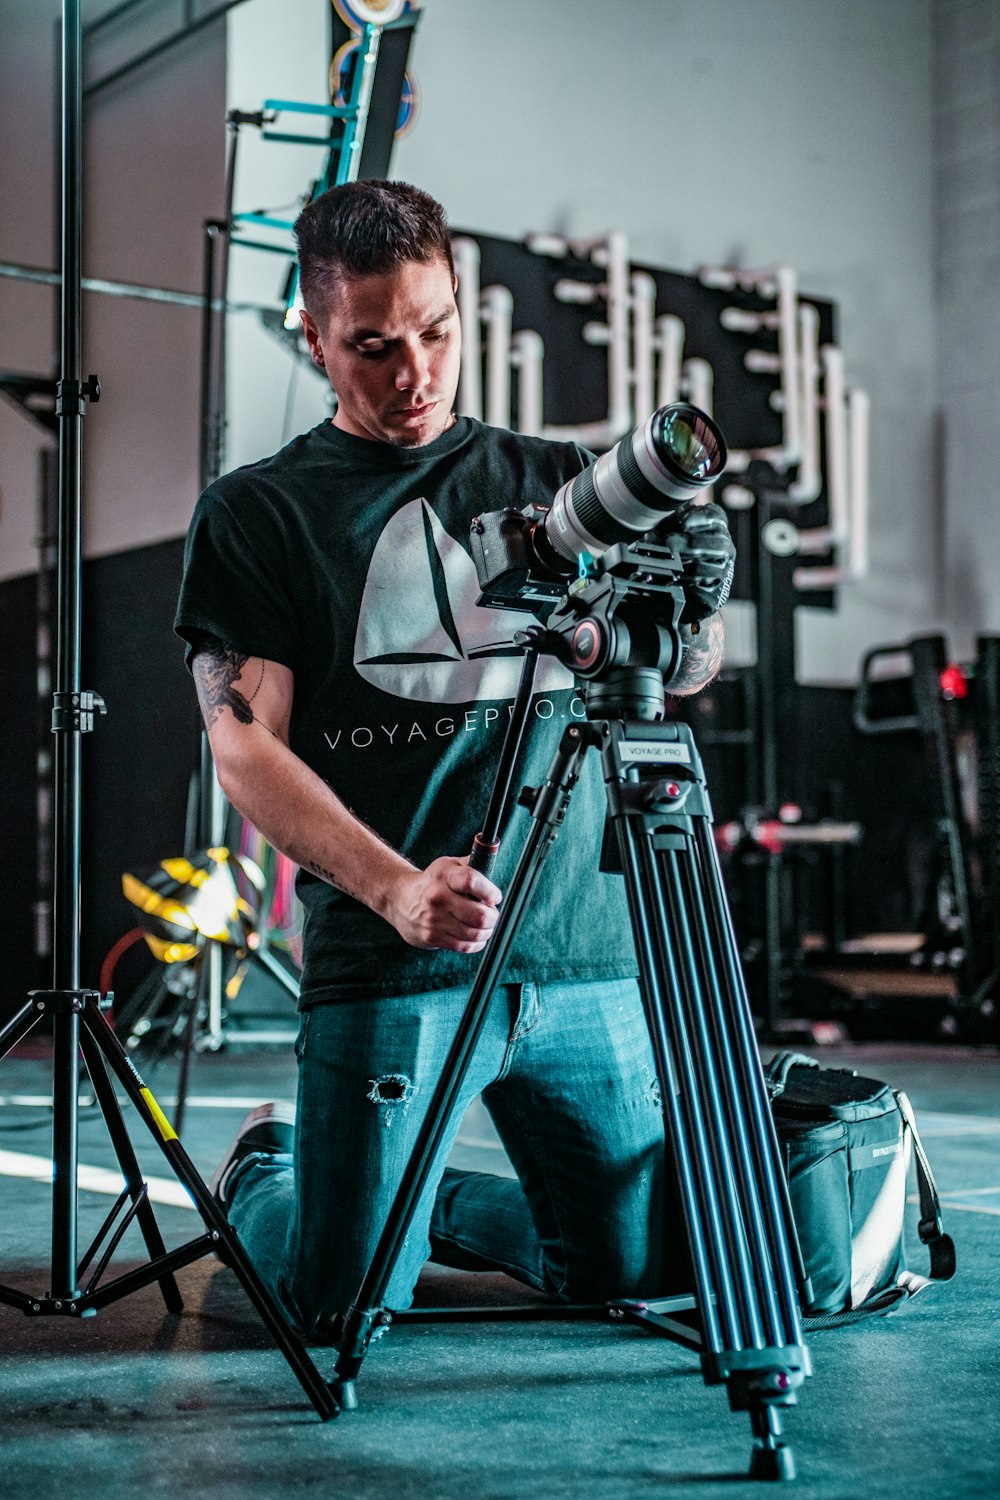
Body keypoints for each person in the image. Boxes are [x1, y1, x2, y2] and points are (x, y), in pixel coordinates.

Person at [174, 180, 734, 1341]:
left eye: (435, 332)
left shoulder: (567, 483)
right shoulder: (260, 512)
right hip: (395, 959)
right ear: (316, 338)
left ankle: (408, 1205)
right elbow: (242, 745)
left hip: (584, 952)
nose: (412, 373)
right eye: (372, 346)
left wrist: (698, 606)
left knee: (624, 1273)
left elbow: (681, 670)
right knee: (335, 1307)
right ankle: (280, 1177)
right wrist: (393, 888)